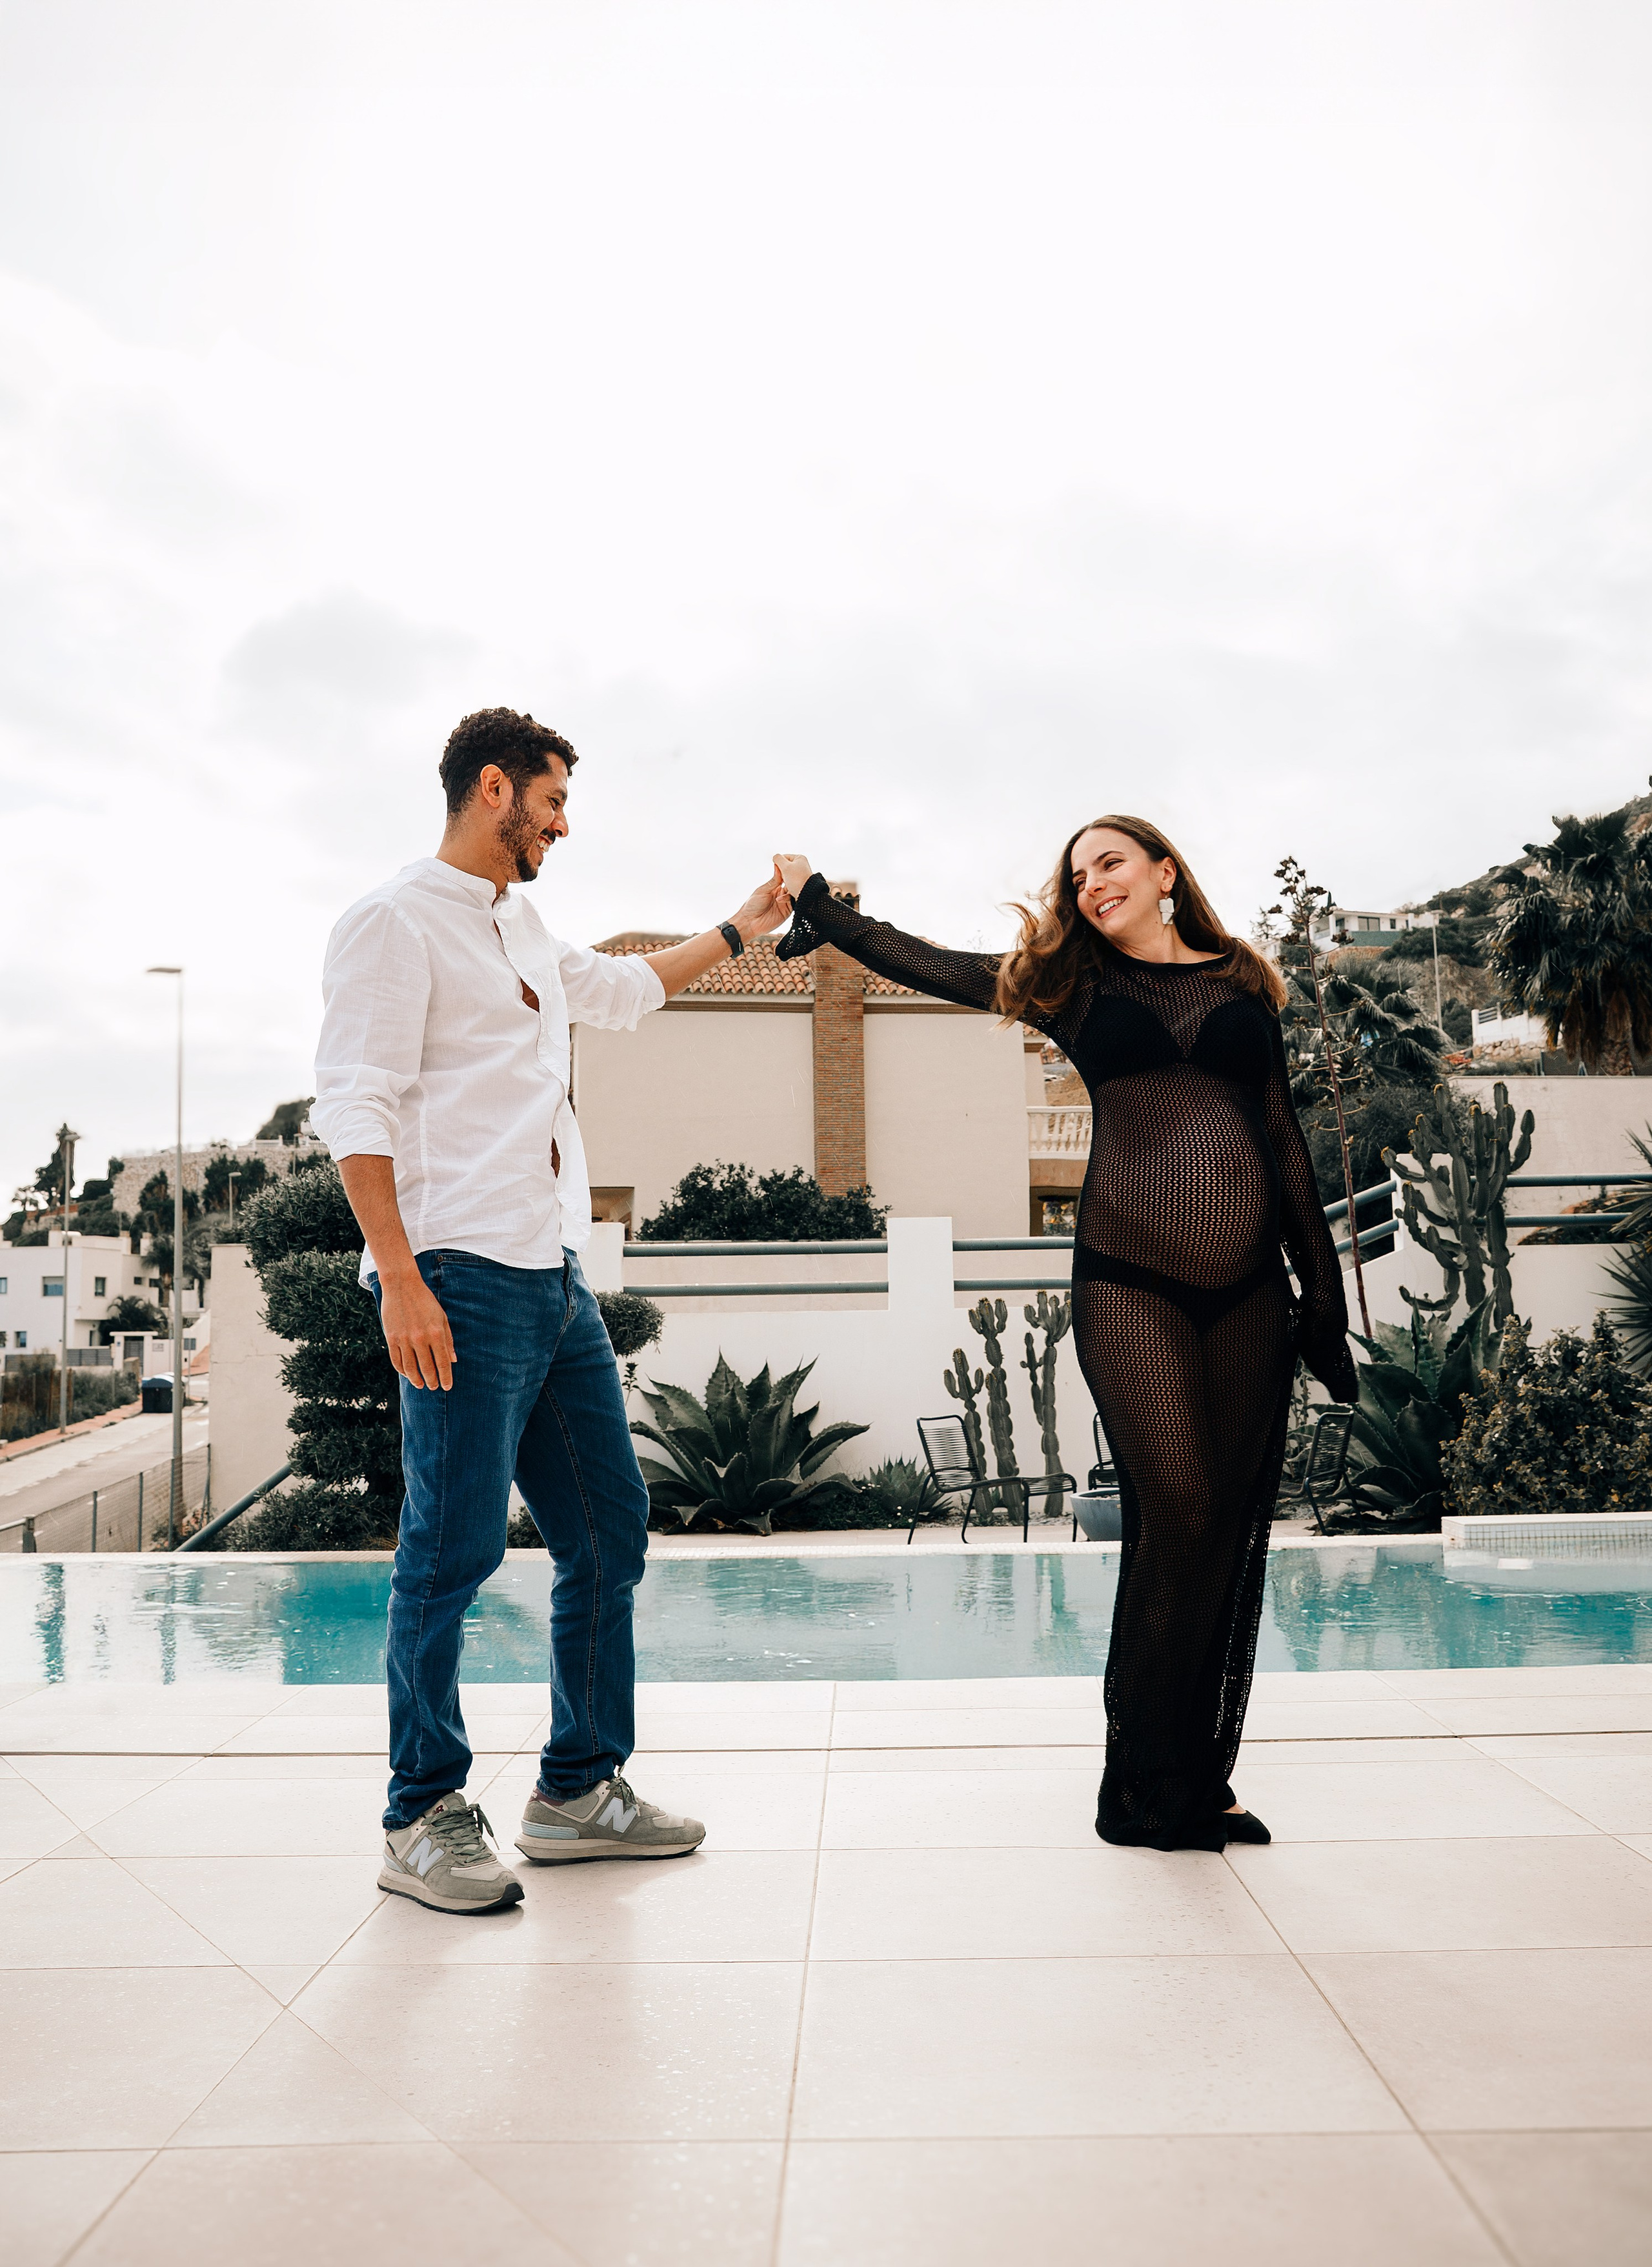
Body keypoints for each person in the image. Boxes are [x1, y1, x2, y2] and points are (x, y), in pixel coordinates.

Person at [772, 824, 1356, 1852]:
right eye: (1078, 875)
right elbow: (940, 965)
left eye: (1112, 865)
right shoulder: (1073, 986)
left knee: (1222, 1528)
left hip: (1252, 1295)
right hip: (1132, 1282)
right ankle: (1134, 1783)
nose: (1093, 886)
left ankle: (1196, 1778)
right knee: (1174, 1503)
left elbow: (1283, 1135)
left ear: (1165, 873)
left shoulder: (1244, 985)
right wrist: (824, 909)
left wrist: (1323, 1301)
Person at [311, 706, 787, 1914]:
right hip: (457, 1274)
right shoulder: (391, 923)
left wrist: (744, 925)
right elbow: (354, 1109)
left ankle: (577, 1789)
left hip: (553, 1276)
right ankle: (419, 1812)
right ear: (491, 790)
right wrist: (400, 1276)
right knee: (452, 1548)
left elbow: (624, 990)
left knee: (607, 1530)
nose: (563, 825)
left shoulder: (519, 923)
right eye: (553, 802)